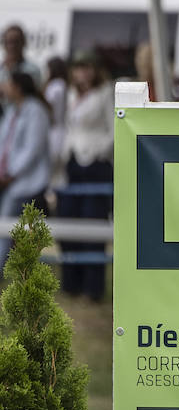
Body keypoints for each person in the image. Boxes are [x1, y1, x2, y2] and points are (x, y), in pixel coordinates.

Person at [55, 52, 115, 300]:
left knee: (93, 223)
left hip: (96, 163)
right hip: (72, 162)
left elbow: (115, 128)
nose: (83, 72)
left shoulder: (104, 93)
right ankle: (71, 284)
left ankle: (93, 288)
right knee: (68, 222)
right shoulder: (70, 93)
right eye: (79, 67)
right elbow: (66, 126)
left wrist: (100, 151)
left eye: (88, 67)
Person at [0, 71, 53, 266]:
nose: (4, 87)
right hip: (9, 180)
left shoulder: (36, 111)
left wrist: (10, 174)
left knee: (6, 226)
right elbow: (4, 144)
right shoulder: (13, 110)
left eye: (8, 83)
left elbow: (32, 149)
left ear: (18, 87)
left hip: (25, 182)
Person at [1, 24, 43, 116]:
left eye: (16, 42)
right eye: (9, 42)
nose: (12, 46)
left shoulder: (32, 70)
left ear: (23, 43)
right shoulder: (1, 69)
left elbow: (32, 97)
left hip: (22, 121)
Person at [44, 56, 69, 167]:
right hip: (61, 128)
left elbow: (50, 106)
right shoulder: (63, 84)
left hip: (55, 128)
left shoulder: (55, 86)